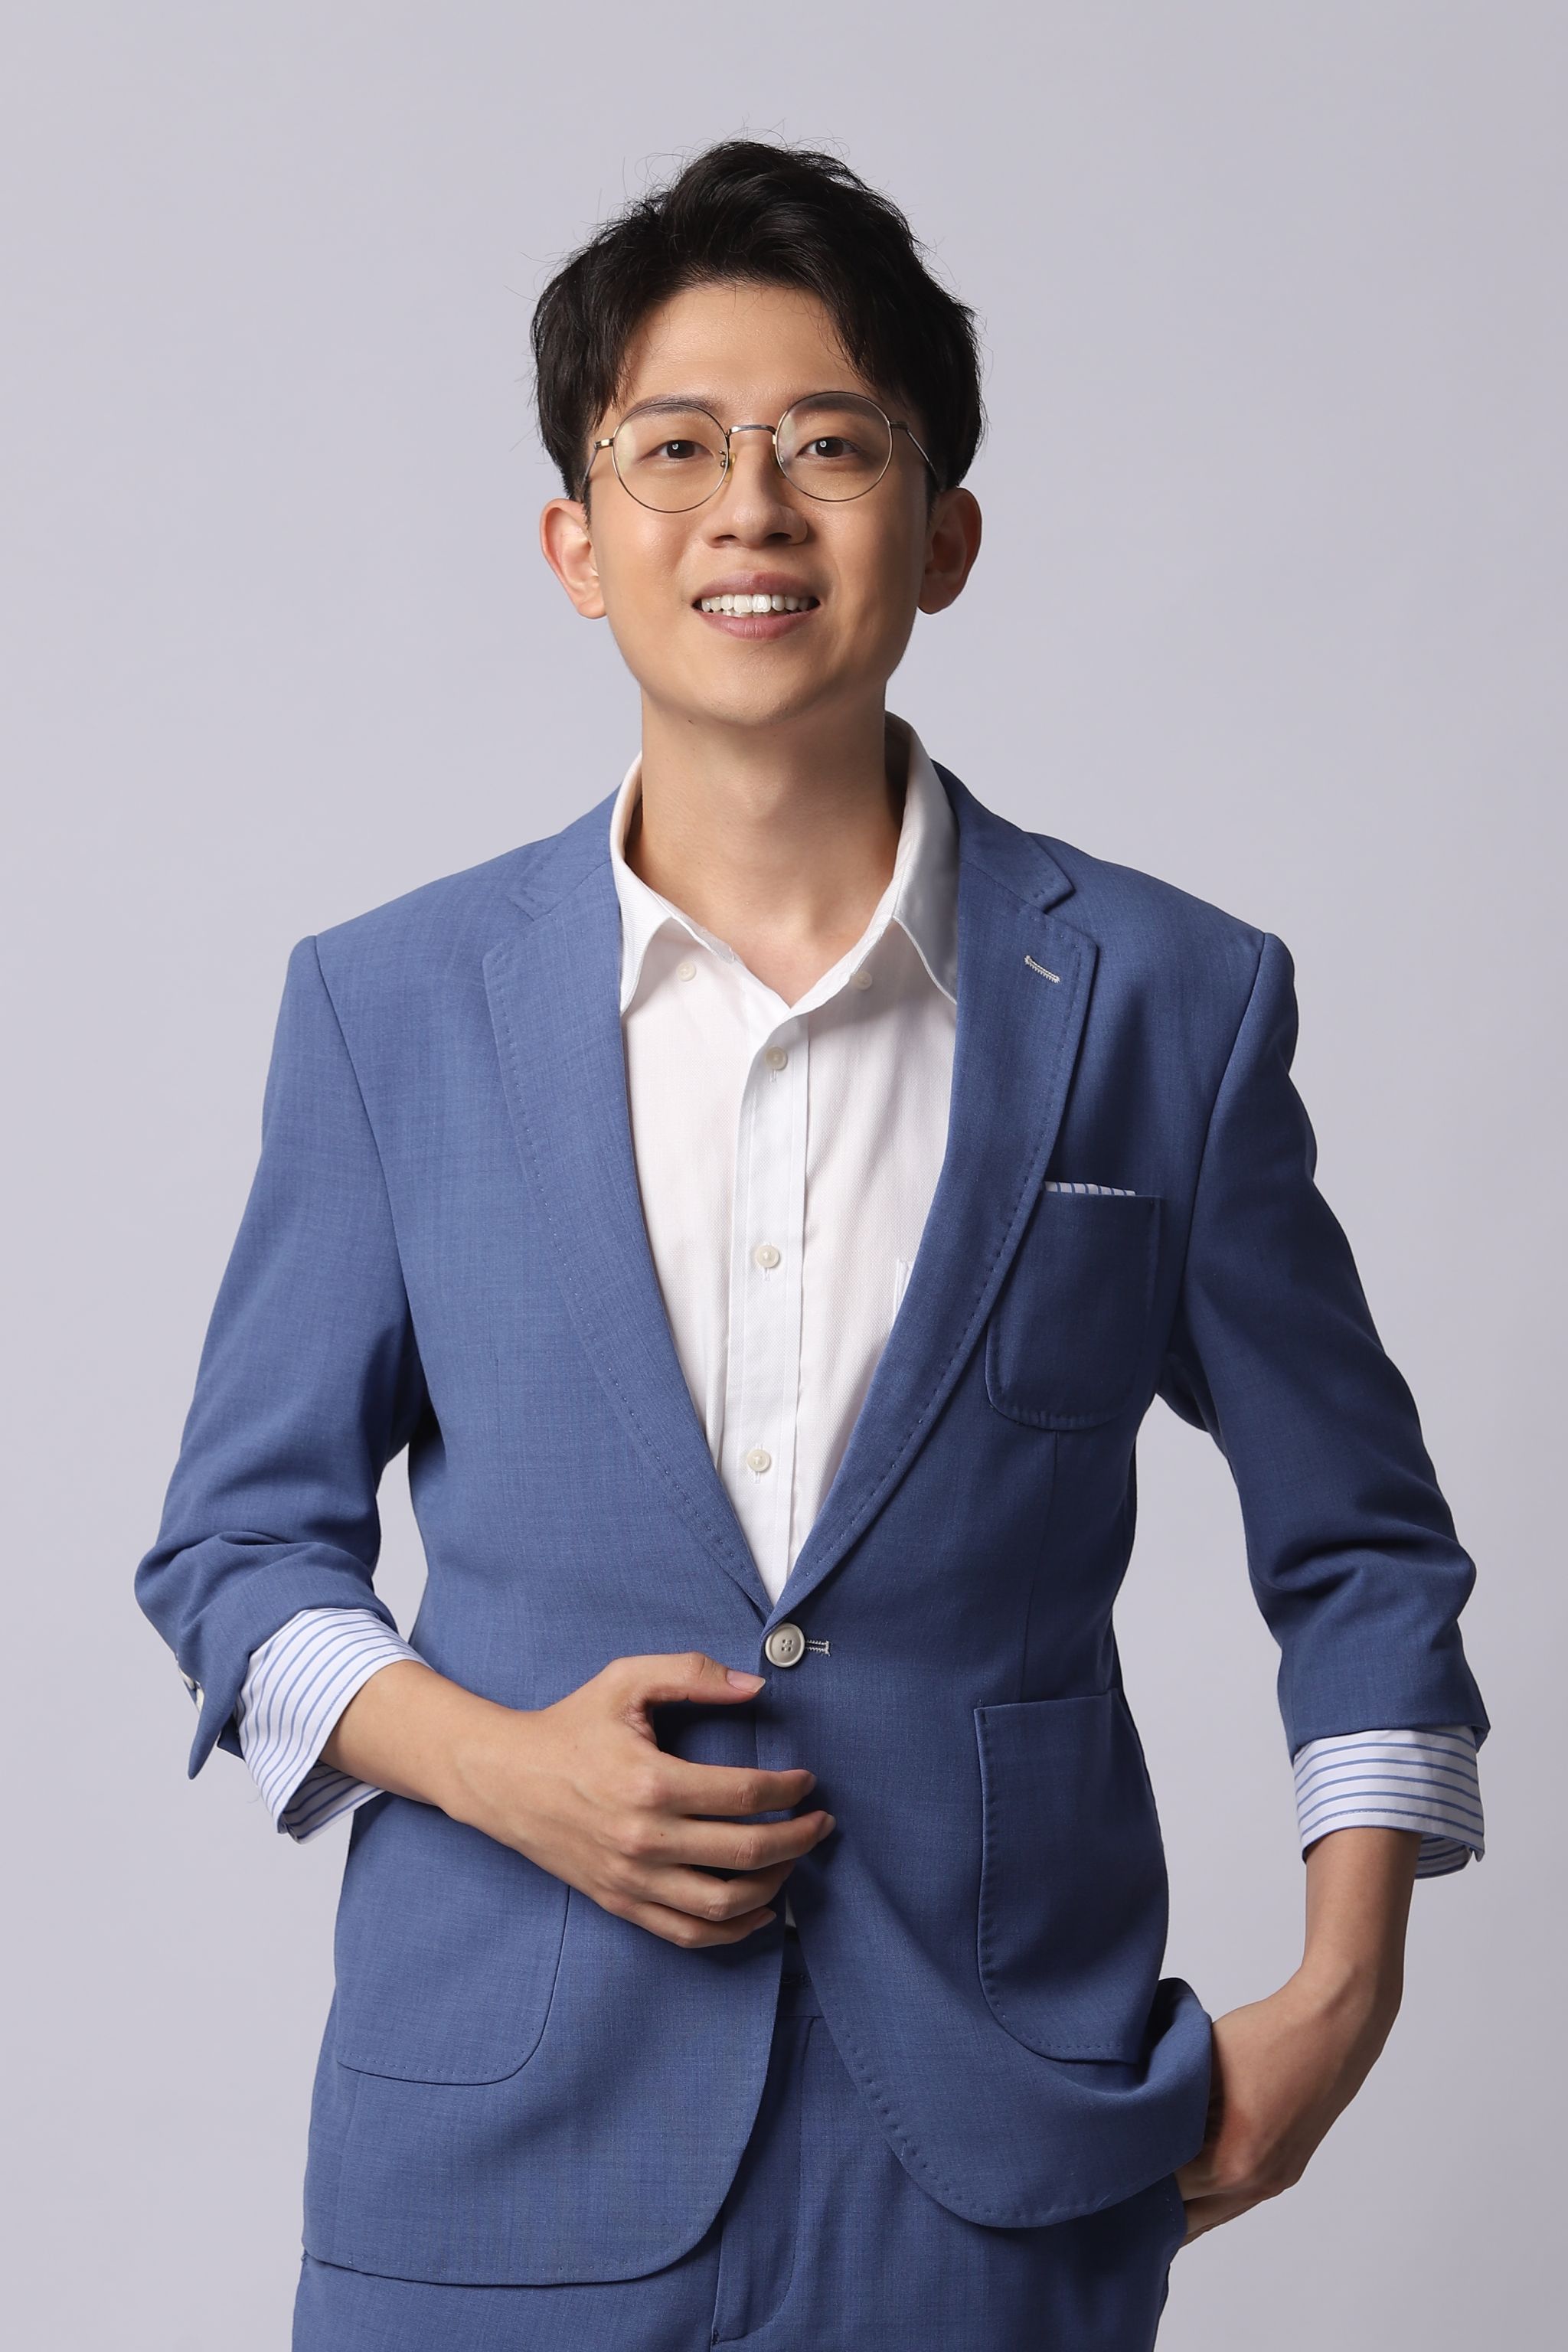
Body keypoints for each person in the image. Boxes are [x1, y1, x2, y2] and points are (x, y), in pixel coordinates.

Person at [135, 138, 1488, 2351]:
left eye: (830, 446)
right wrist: (501, 1768)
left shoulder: (1169, 1004)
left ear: (943, 535)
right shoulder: (392, 1009)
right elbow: (233, 1547)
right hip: (494, 2157)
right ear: (577, 545)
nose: (749, 508)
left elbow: (1362, 1543)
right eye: (674, 449)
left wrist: (1349, 1990)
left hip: (999, 2157)